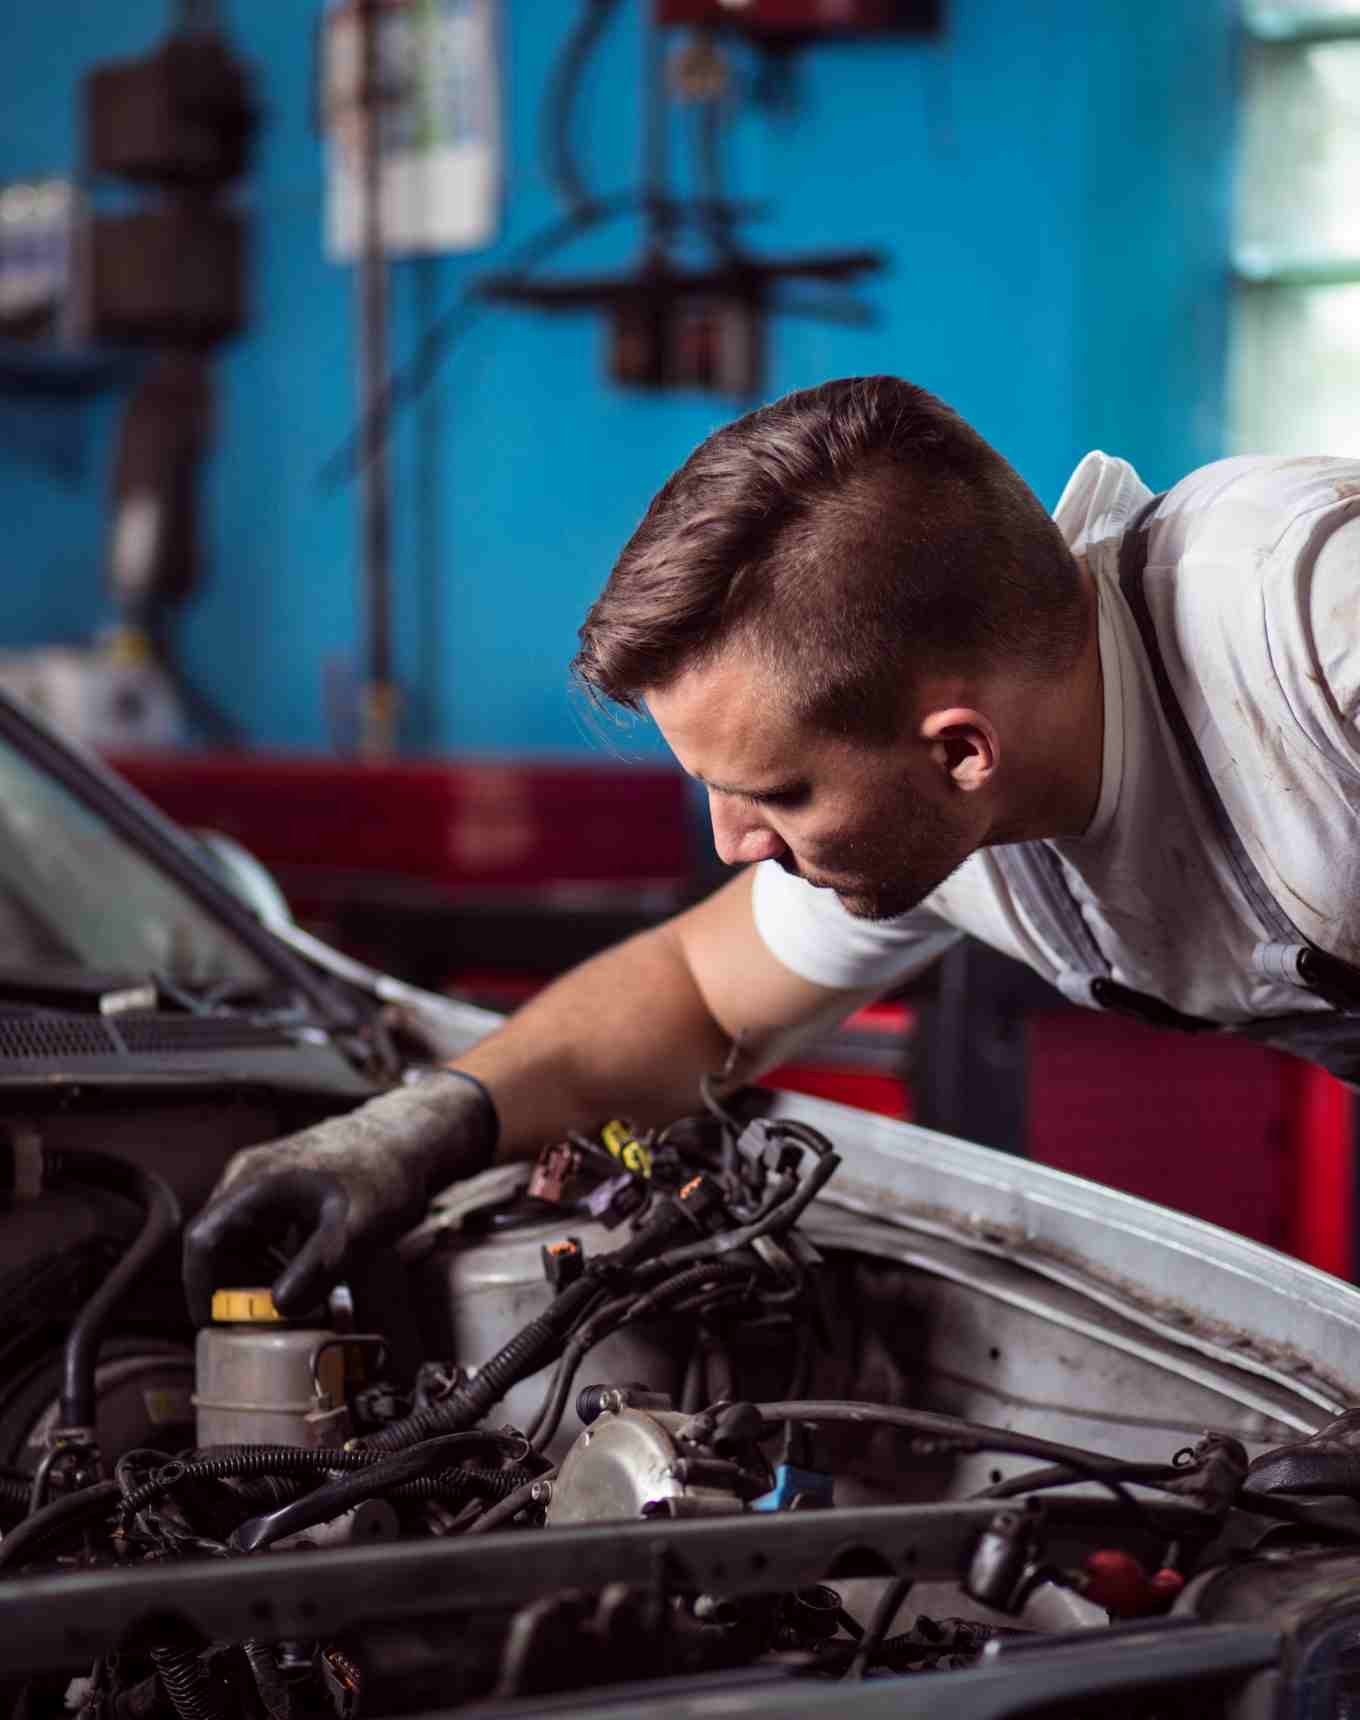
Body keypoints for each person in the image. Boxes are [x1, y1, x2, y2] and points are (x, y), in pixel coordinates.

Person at [183, 374, 1360, 1322]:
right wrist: (424, 1124)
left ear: (960, 750)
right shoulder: (962, 785)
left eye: (773, 795)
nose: (735, 843)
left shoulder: (1312, 634)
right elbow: (697, 992)